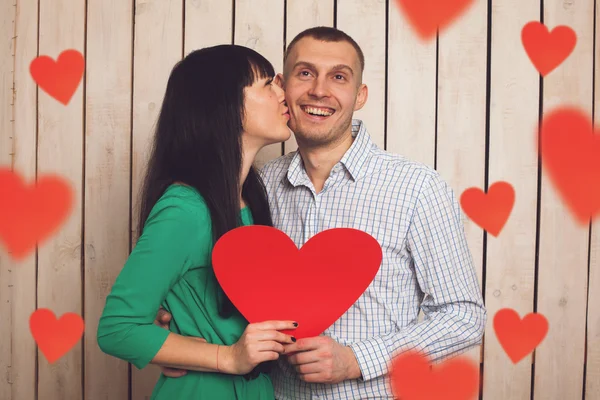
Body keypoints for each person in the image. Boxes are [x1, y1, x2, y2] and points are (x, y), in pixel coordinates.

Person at [156, 27, 488, 400]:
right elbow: (208, 281)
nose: (319, 90)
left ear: (359, 95)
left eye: (339, 77)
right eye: (305, 73)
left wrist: (357, 360)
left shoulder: (417, 188)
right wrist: (176, 330)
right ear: (281, 87)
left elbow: (464, 316)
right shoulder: (253, 187)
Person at [96, 44, 301, 400]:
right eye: (267, 84)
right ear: (227, 107)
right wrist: (228, 357)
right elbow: (117, 328)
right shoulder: (185, 210)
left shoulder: (252, 198)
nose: (283, 93)